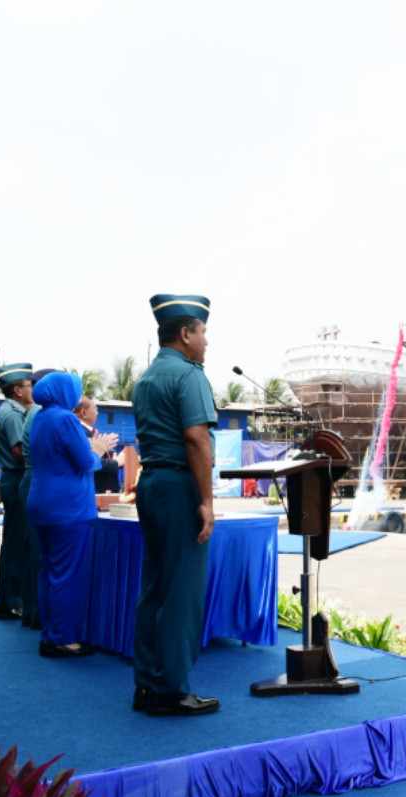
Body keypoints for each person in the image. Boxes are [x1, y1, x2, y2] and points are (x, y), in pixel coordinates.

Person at [131, 293, 220, 717]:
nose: (206, 341)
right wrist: (206, 501)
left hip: (151, 483)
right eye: (203, 332)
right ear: (186, 334)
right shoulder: (190, 376)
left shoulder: (146, 378)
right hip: (180, 487)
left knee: (155, 587)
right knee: (182, 591)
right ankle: (172, 689)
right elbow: (197, 438)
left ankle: (148, 684)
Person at [27, 372, 119, 658]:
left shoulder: (40, 417)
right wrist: (98, 449)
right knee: (67, 575)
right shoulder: (65, 419)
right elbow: (84, 462)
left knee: (50, 572)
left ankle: (50, 632)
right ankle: (62, 638)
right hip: (67, 508)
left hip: (43, 503)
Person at [0, 362, 35, 621]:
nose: (32, 390)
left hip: (14, 480)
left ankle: (11, 599)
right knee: (16, 544)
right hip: (16, 479)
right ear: (18, 390)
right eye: (29, 385)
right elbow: (20, 452)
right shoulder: (12, 415)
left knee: (16, 542)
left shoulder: (13, 411)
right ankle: (11, 601)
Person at [19, 368, 57, 630]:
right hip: (39, 478)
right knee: (38, 553)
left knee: (35, 551)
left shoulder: (36, 412)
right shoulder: (41, 414)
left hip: (34, 478)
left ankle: (33, 611)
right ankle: (35, 613)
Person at [74, 394, 124, 494]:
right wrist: (116, 462)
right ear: (84, 413)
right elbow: (89, 460)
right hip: (97, 489)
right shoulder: (82, 433)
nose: (97, 413)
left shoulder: (87, 432)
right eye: (95, 409)